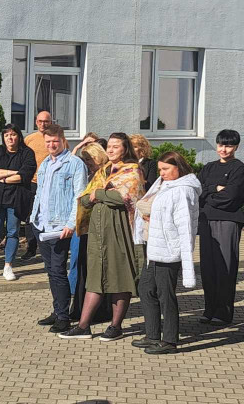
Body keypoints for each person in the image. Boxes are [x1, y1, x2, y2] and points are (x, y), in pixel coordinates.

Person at [60, 133, 145, 341]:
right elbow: (84, 198)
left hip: (119, 230)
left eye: (116, 146)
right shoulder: (103, 171)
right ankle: (83, 326)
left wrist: (99, 195)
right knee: (95, 277)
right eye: (110, 147)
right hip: (98, 232)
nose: (111, 150)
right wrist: (96, 196)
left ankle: (116, 326)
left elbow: (124, 197)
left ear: (125, 149)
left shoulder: (132, 170)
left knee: (119, 276)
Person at [133, 151, 200, 354]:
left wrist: (186, 259)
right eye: (160, 169)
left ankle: (170, 340)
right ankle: (152, 334)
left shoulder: (183, 190)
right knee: (146, 288)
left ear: (178, 167)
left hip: (169, 249)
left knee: (165, 294)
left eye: (166, 169)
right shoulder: (164, 185)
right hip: (154, 246)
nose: (161, 173)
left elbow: (184, 225)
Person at [28, 124, 88, 333]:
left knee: (59, 271)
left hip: (59, 227)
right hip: (41, 226)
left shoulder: (75, 164)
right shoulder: (45, 163)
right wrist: (33, 218)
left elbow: (79, 196)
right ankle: (57, 310)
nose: (51, 145)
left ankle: (63, 317)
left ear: (63, 141)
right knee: (51, 272)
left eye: (55, 141)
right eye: (48, 142)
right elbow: (40, 193)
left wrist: (71, 224)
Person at [197, 129, 244, 325]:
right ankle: (209, 309)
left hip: (228, 221)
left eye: (228, 146)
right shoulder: (208, 167)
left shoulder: (239, 169)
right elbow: (198, 191)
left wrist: (209, 194)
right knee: (207, 267)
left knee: (225, 265)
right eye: (220, 145)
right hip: (206, 220)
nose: (223, 149)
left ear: (236, 147)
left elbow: (231, 197)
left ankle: (223, 312)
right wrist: (214, 189)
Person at [0, 124, 37, 281]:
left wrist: (3, 177)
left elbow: (25, 175)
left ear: (18, 136)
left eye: (13, 135)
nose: (10, 138)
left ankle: (8, 266)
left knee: (13, 232)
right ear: (3, 138)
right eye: (6, 135)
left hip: (16, 199)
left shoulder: (27, 153)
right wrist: (13, 173)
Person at [68, 142, 111, 322]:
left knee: (95, 271)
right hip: (86, 227)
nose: (87, 163)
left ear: (98, 156)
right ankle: (80, 309)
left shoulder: (107, 173)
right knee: (83, 268)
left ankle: (98, 311)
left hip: (99, 226)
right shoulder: (91, 174)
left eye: (89, 159)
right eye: (85, 160)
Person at [21, 111, 53, 260]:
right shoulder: (30, 139)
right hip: (32, 182)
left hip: (50, 184)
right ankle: (31, 248)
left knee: (49, 215)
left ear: (50, 122)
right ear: (36, 122)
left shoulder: (56, 139)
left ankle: (48, 247)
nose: (43, 124)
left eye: (46, 121)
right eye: (40, 121)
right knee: (30, 216)